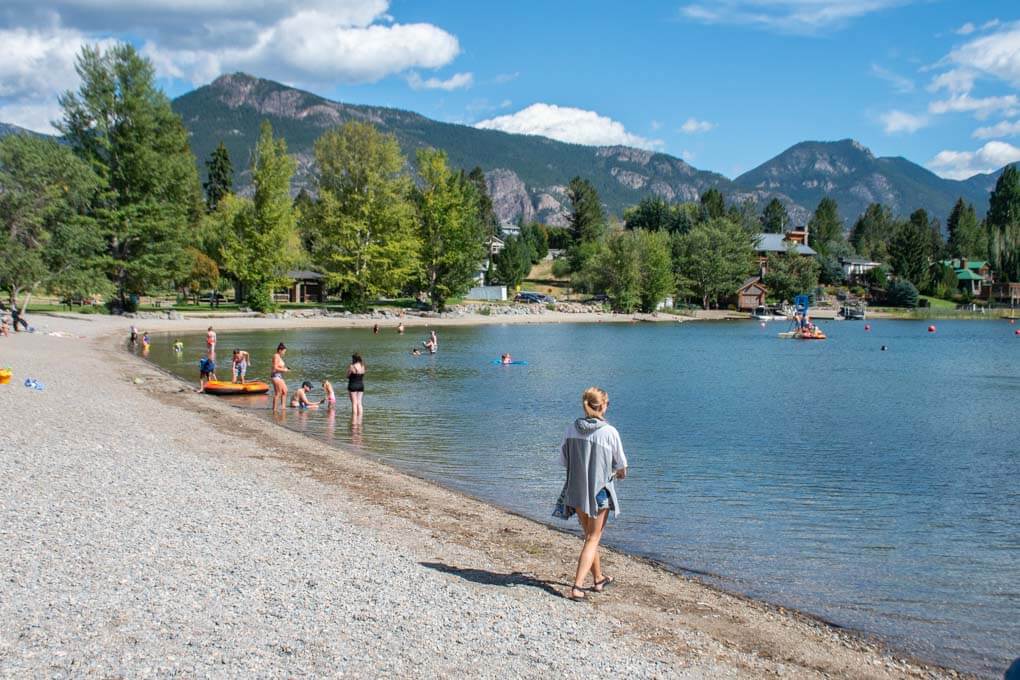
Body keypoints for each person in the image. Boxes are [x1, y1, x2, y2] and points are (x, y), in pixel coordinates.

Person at [553, 387, 628, 601]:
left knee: (589, 538)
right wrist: (620, 473)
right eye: (608, 403)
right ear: (602, 406)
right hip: (599, 493)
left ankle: (598, 579)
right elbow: (621, 465)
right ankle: (577, 586)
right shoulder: (609, 432)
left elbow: (563, 460)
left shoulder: (571, 429)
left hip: (576, 491)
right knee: (593, 538)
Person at [271, 343, 289, 411]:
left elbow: (279, 366)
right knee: (278, 393)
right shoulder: (276, 356)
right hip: (275, 376)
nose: (284, 353)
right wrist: (284, 370)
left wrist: (285, 369)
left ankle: (283, 407)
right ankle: (274, 409)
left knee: (285, 391)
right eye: (284, 351)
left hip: (279, 376)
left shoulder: (279, 357)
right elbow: (275, 368)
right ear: (280, 350)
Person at [347, 352, 365, 417]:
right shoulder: (363, 366)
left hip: (353, 385)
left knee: (354, 403)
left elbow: (347, 376)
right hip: (361, 385)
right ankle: (360, 419)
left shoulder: (352, 366)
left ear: (354, 359)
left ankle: (354, 420)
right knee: (359, 403)